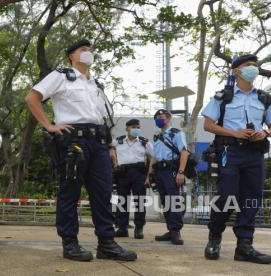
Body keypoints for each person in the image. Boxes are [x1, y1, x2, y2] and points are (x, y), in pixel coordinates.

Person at [25, 39, 137, 262]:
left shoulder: (96, 84)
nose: (88, 53)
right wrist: (49, 125)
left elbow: (102, 119)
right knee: (70, 192)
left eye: (90, 50)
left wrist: (110, 145)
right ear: (71, 56)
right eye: (83, 50)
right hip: (73, 141)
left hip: (98, 143)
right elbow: (32, 97)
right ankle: (70, 244)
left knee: (103, 193)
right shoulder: (62, 76)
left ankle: (106, 244)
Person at [201, 54, 271, 264]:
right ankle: (214, 237)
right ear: (236, 71)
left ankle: (244, 246)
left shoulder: (264, 98)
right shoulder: (222, 97)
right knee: (226, 196)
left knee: (251, 198)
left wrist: (265, 133)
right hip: (231, 152)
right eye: (248, 66)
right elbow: (208, 125)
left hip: (255, 153)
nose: (253, 69)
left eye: (255, 66)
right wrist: (234, 133)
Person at [145, 109, 188, 245]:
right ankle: (170, 229)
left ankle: (176, 231)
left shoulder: (176, 133)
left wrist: (181, 172)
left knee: (174, 201)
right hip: (159, 172)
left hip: (171, 171)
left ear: (168, 118)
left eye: (161, 117)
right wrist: (149, 175)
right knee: (165, 201)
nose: (158, 119)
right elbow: (154, 158)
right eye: (156, 117)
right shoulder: (157, 137)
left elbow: (184, 153)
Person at [111, 119, 153, 239]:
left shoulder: (144, 142)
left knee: (139, 201)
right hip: (122, 173)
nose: (136, 129)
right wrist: (114, 163)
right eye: (133, 127)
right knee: (122, 201)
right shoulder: (118, 141)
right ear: (127, 128)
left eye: (138, 127)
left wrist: (149, 176)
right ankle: (122, 228)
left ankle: (139, 228)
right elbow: (109, 149)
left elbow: (155, 156)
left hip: (139, 173)